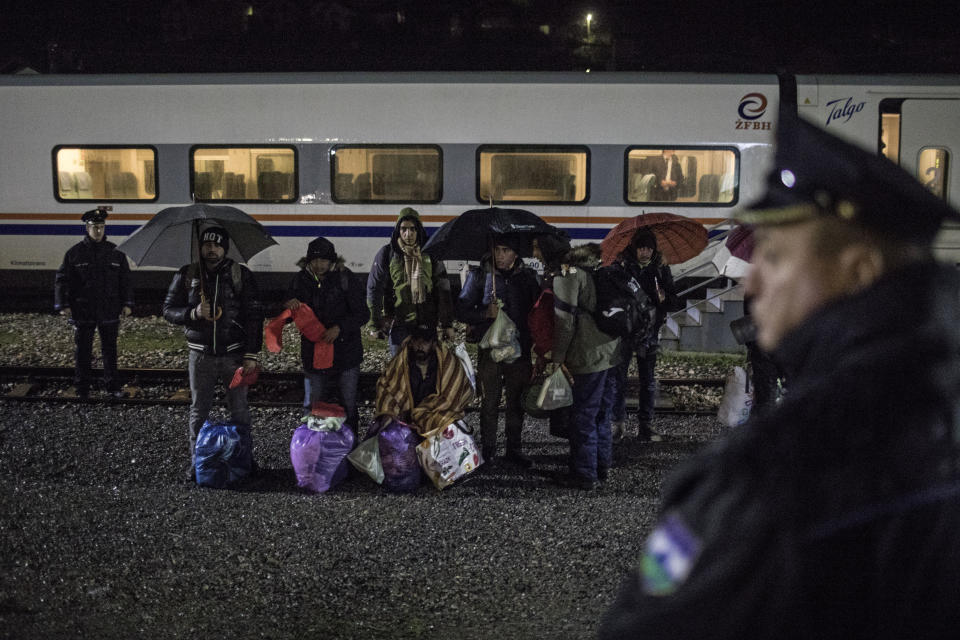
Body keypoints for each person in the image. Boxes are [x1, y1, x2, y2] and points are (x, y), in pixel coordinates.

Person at [600, 112, 960, 638]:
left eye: (774, 254)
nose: (756, 279)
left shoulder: (765, 476)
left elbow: (643, 624)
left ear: (858, 271)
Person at [163, 226, 264, 482]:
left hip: (234, 356)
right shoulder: (187, 274)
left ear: (225, 248)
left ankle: (244, 460)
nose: (212, 249)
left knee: (239, 410)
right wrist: (193, 313)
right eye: (207, 245)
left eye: (217, 245)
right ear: (201, 248)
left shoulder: (240, 274)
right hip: (200, 356)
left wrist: (251, 353)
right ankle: (197, 463)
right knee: (199, 411)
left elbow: (254, 316)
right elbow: (168, 309)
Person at [456, 234, 540, 466]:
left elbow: (536, 311)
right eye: (497, 250)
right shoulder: (480, 275)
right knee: (489, 401)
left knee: (516, 401)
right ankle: (489, 450)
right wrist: (485, 314)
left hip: (519, 349)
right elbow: (462, 310)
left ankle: (514, 448)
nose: (500, 255)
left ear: (515, 253)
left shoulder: (528, 278)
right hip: (490, 349)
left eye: (506, 250)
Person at [546, 241, 622, 490]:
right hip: (611, 352)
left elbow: (565, 322)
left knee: (583, 417)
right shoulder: (601, 270)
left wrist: (557, 358)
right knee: (601, 413)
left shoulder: (569, 275)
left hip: (587, 354)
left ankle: (583, 474)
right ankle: (602, 465)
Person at [283, 236, 369, 431]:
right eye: (314, 260)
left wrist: (339, 328)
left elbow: (363, 314)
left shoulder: (345, 278)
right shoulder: (300, 280)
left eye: (323, 260)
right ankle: (311, 450)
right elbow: (286, 315)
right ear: (308, 261)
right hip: (314, 355)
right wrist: (288, 306)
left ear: (332, 261)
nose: (319, 265)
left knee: (348, 405)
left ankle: (349, 448)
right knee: (311, 405)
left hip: (346, 354)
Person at [609, 228, 682, 442]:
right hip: (625, 331)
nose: (645, 252)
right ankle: (617, 424)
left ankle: (645, 425)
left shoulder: (660, 270)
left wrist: (664, 298)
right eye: (641, 248)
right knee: (618, 379)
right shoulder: (621, 267)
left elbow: (673, 302)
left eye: (649, 248)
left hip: (649, 331)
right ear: (634, 247)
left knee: (647, 380)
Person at [54, 206, 134, 399]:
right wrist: (63, 305)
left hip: (109, 309)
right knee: (83, 351)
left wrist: (128, 303)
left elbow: (125, 279)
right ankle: (82, 388)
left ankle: (112, 387)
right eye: (94, 227)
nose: (98, 230)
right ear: (87, 228)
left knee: (110, 351)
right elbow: (62, 279)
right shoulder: (74, 253)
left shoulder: (116, 253)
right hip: (83, 310)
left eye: (101, 226)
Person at [366, 207, 455, 355]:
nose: (408, 234)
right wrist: (374, 324)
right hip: (398, 323)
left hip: (426, 322)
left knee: (426, 371)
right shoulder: (387, 254)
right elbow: (374, 289)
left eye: (412, 229)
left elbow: (443, 289)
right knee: (400, 372)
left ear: (418, 230)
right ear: (398, 231)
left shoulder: (430, 254)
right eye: (404, 229)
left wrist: (447, 324)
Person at [374, 323, 474, 437]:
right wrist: (390, 414)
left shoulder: (448, 363)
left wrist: (421, 414)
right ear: (411, 342)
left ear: (433, 344)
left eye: (425, 342)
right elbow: (388, 389)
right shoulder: (400, 363)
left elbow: (452, 396)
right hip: (406, 421)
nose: (420, 346)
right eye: (417, 341)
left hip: (435, 416)